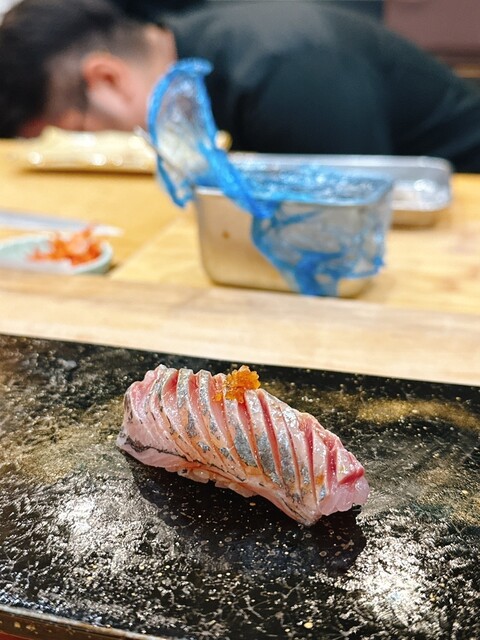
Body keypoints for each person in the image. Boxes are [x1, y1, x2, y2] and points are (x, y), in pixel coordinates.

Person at [1, 0, 480, 172]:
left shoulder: (281, 71)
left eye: (79, 129)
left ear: (107, 77)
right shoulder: (191, 47)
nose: (97, 141)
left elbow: (344, 223)